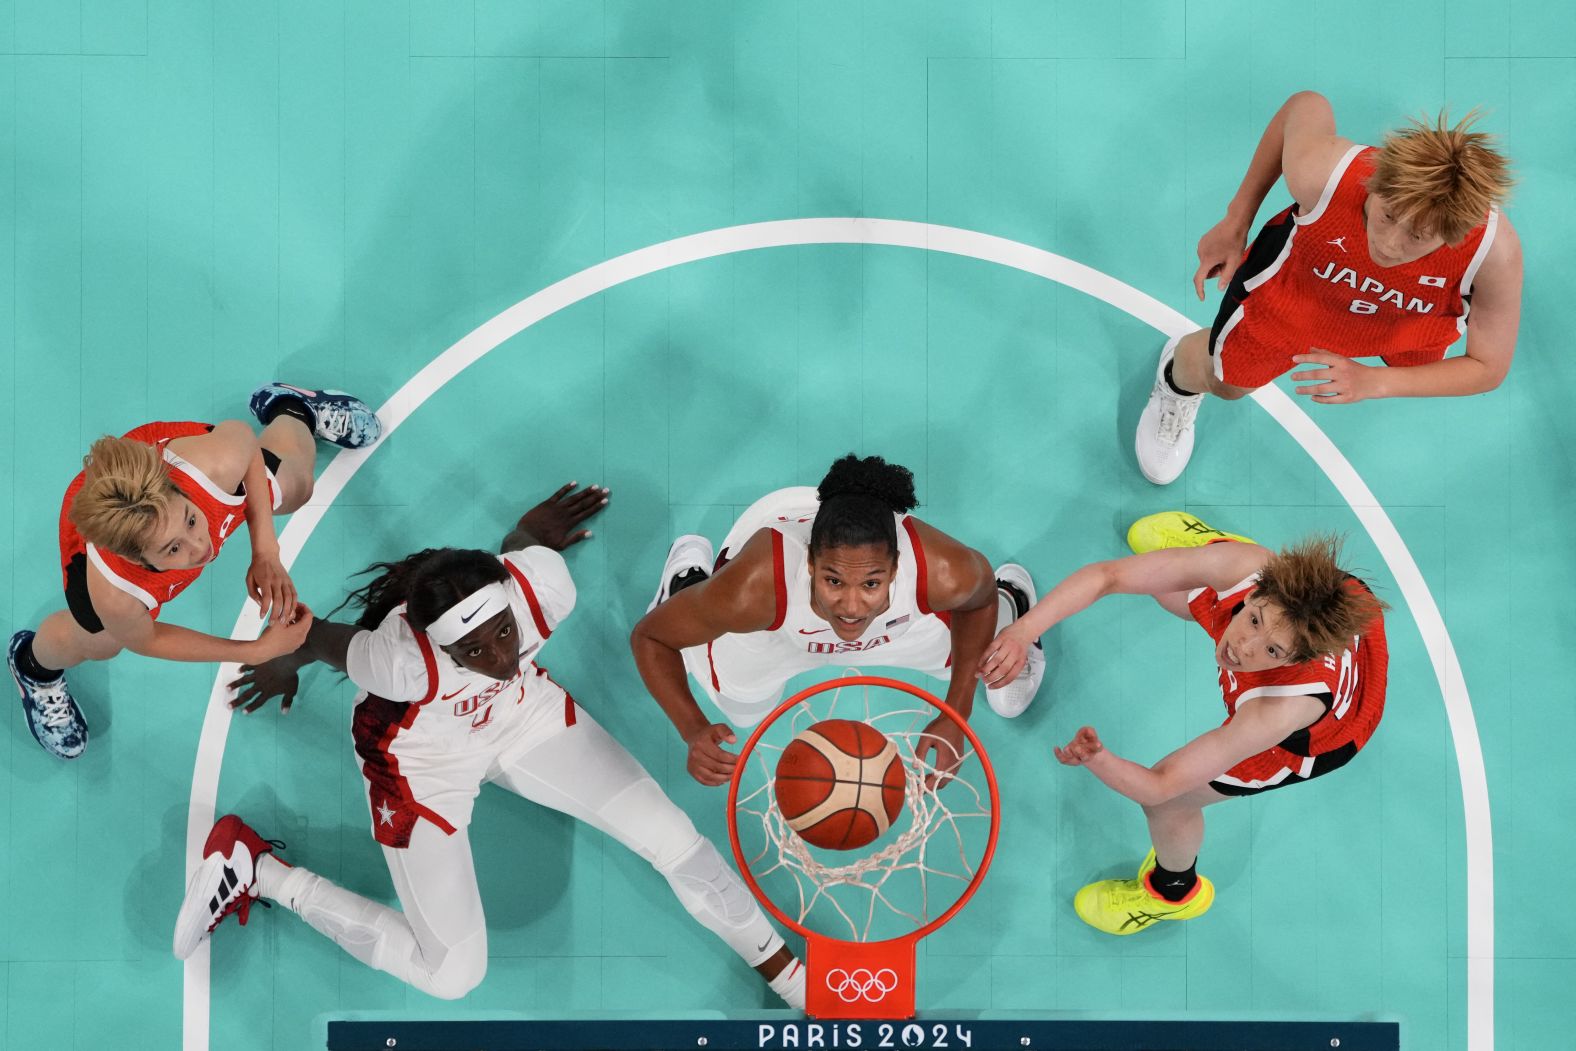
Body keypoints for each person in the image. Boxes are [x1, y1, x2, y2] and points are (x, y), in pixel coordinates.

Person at [174, 484, 806, 1008]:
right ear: (442, 646)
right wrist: (286, 663)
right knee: (451, 976)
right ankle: (258, 870)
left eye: (504, 634)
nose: (501, 657)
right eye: (473, 651)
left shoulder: (541, 589)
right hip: (421, 764)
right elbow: (313, 634)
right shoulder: (396, 662)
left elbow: (521, 554)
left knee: (674, 840)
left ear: (512, 601)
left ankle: (788, 975)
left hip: (525, 719)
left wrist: (529, 531)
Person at [978, 512, 1388, 934]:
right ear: (1257, 594)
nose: (1243, 647)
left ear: (1294, 659)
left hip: (1321, 736)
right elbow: (1108, 576)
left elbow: (1161, 785)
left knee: (1169, 806)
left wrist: (1098, 759)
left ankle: (1173, 892)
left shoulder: (1276, 713)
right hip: (1329, 599)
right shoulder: (1255, 570)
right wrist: (1022, 632)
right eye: (1253, 620)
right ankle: (1210, 549)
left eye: (1271, 650)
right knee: (1169, 587)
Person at [1136, 91, 1521, 485]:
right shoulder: (1326, 173)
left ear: (1454, 236)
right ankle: (1175, 380)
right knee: (1228, 384)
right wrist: (1237, 219)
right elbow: (1305, 106)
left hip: (1405, 323)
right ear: (1374, 180)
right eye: (1387, 215)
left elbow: (1488, 366)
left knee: (1424, 371)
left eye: (1418, 237)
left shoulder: (1493, 256)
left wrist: (1375, 382)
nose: (1389, 245)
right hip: (1298, 294)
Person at [7, 384, 382, 759]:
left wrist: (266, 551)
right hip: (105, 526)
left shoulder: (214, 463)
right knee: (100, 641)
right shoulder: (116, 593)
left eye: (190, 522)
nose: (200, 547)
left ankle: (295, 409)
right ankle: (32, 666)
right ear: (140, 561)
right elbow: (148, 639)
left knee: (295, 488)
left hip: (165, 469)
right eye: (174, 549)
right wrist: (254, 650)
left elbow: (246, 444)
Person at [630, 453, 1046, 789]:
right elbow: (650, 639)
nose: (851, 605)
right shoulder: (756, 588)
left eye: (870, 582)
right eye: (833, 580)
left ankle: (1016, 600)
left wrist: (957, 713)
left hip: (898, 628)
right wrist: (692, 729)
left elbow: (976, 602)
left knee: (984, 655)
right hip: (775, 629)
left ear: (896, 567)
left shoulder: (940, 569)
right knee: (741, 710)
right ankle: (688, 584)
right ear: (810, 564)